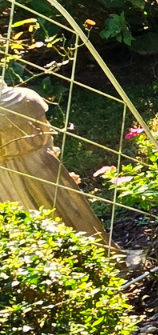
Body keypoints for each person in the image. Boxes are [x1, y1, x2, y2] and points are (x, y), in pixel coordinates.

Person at [0, 85, 110, 241]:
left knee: (25, 224)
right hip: (42, 166)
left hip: (5, 179)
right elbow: (46, 136)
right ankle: (94, 255)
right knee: (66, 212)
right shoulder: (26, 97)